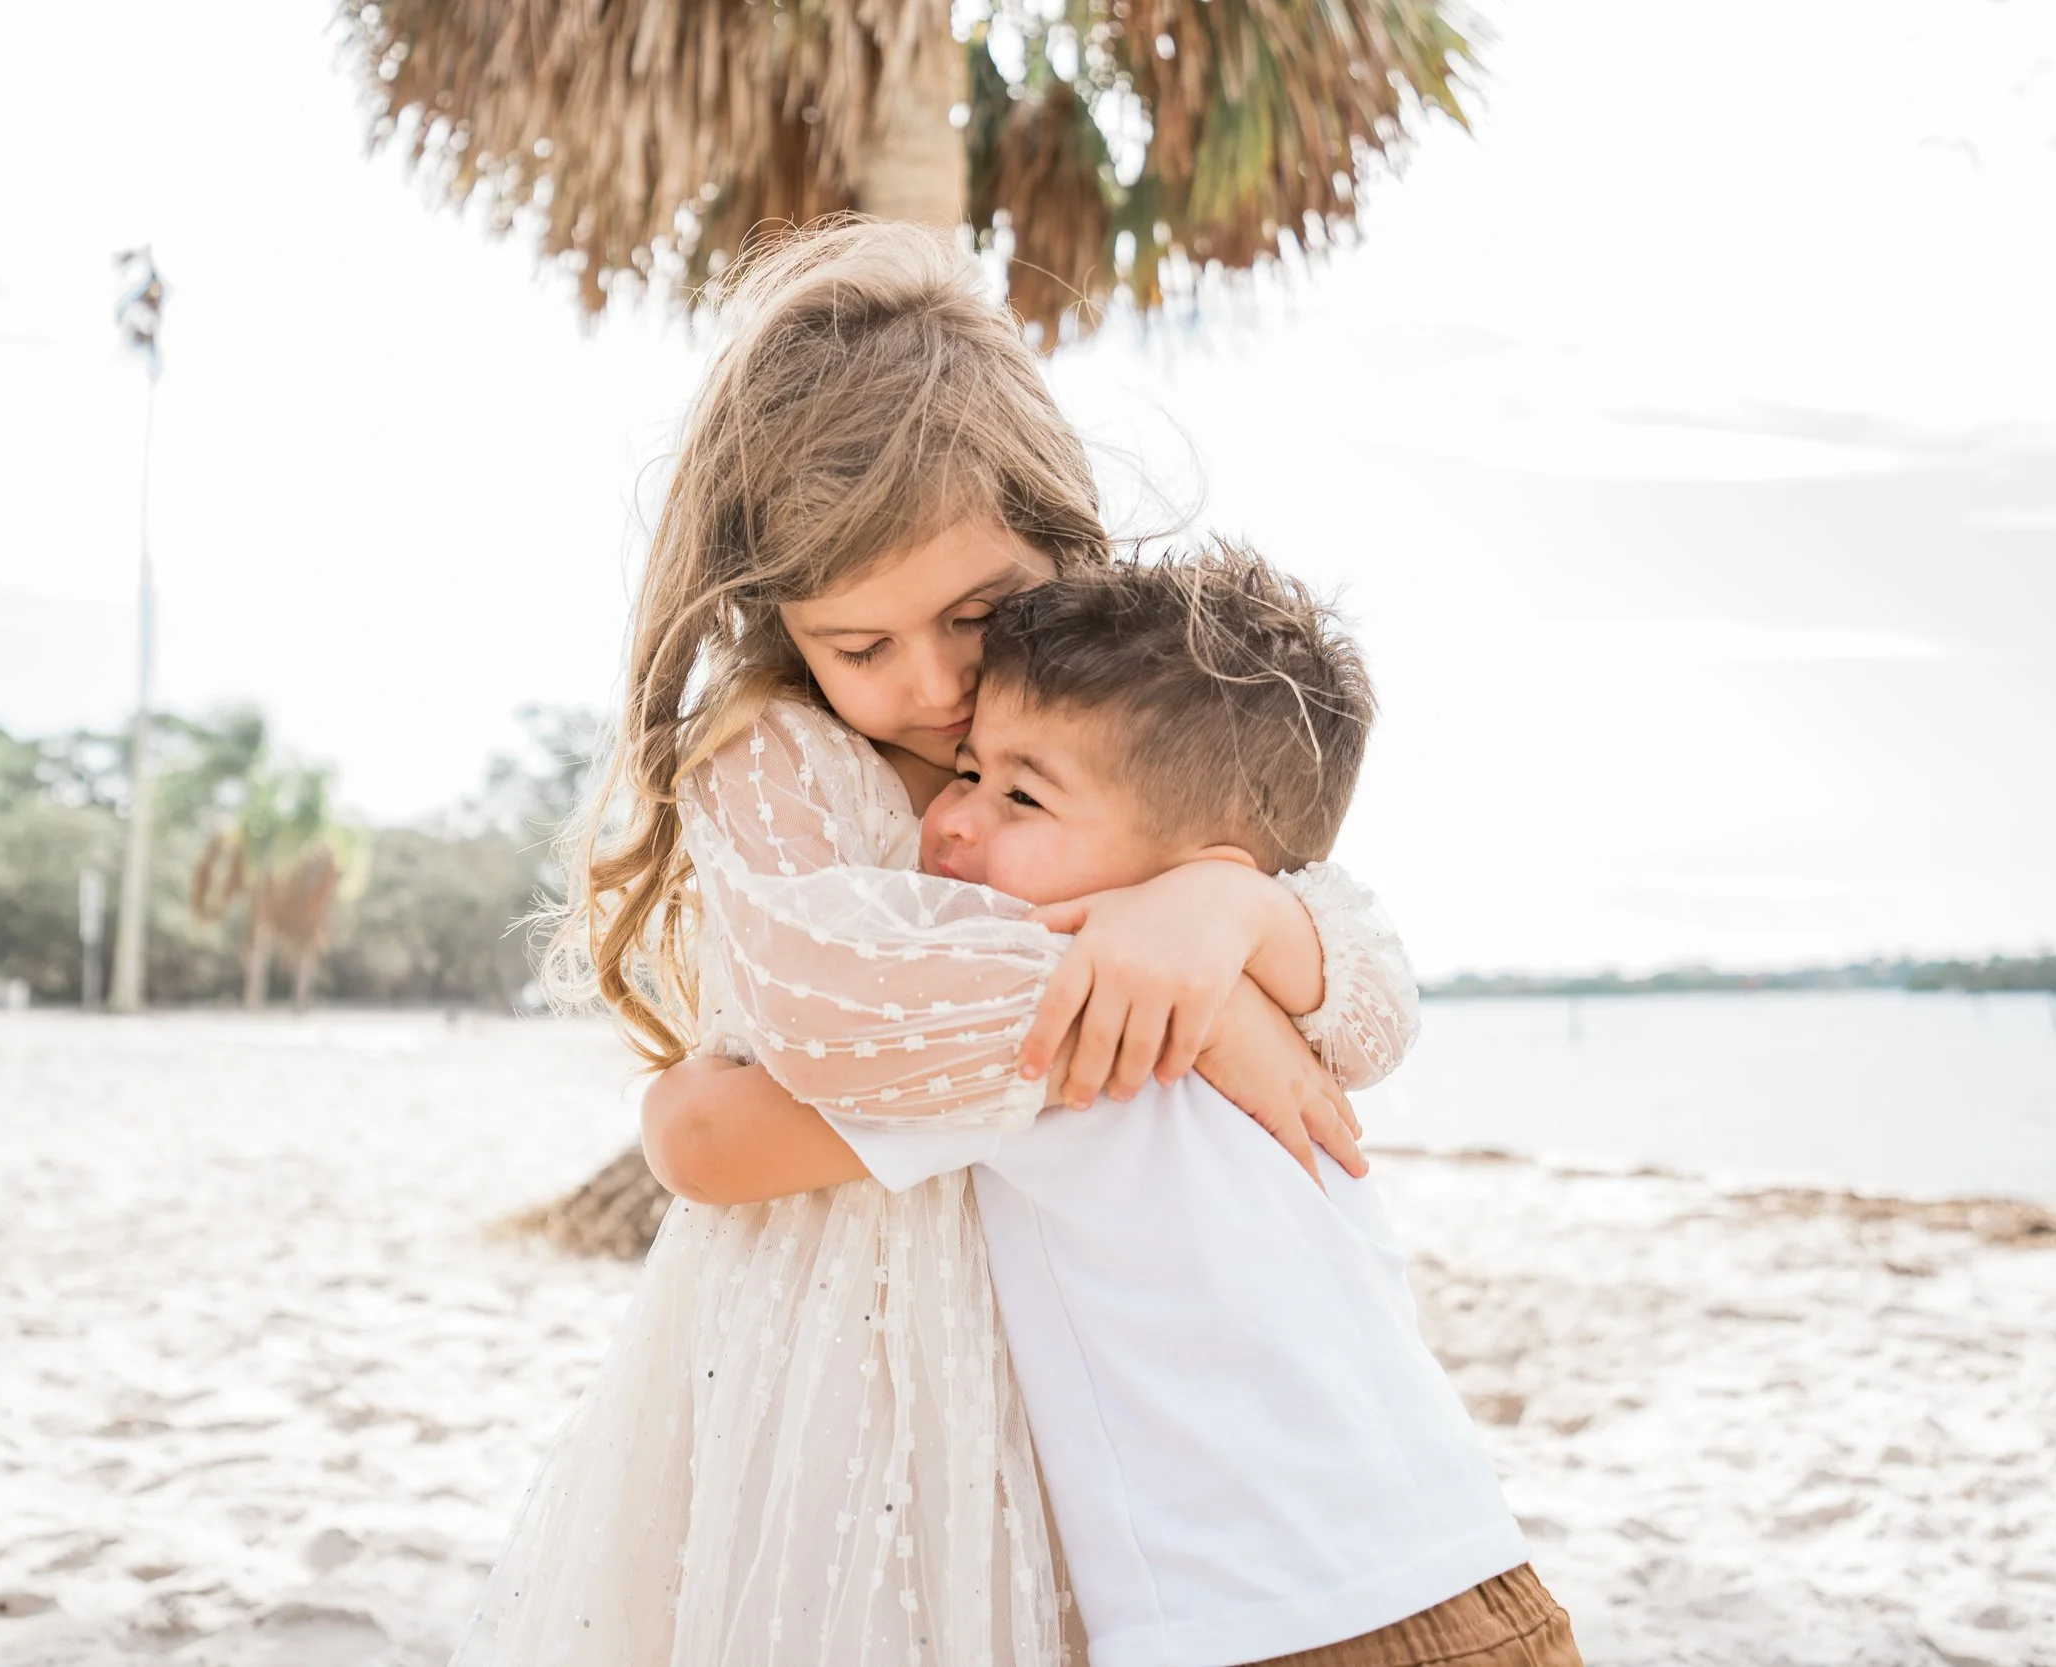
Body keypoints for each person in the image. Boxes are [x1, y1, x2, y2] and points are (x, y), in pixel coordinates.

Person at [451, 221, 1423, 1666]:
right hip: (850, 1353)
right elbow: (845, 1004)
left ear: (1062, 536)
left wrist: (1227, 910)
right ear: (779, 621)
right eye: (859, 644)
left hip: (1079, 1359)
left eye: (975, 614)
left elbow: (1369, 1016)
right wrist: (1195, 1016)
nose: (928, 688)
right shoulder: (775, 758)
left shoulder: (1125, 728)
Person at [650, 544, 1580, 1667]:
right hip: (1478, 1572)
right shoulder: (1264, 992)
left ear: (1187, 864)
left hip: (1273, 1627)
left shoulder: (1078, 1020)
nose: (949, 820)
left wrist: (671, 1086)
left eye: (1020, 794)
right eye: (968, 772)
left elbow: (702, 1141)